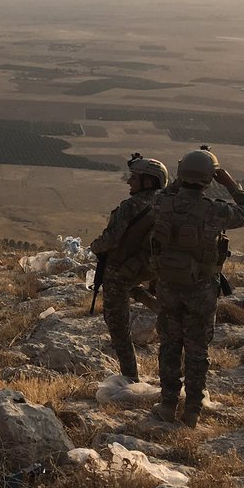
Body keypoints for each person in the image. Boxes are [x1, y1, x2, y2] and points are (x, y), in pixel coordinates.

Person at [150, 148, 244, 427]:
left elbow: (169, 192)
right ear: (209, 179)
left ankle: (166, 405)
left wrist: (187, 172)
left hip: (168, 285)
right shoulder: (215, 211)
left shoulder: (162, 202)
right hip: (201, 289)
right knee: (197, 351)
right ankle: (192, 411)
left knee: (169, 345)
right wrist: (228, 182)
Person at [90, 153, 169, 382]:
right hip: (150, 269)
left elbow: (111, 240)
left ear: (148, 181)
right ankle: (155, 305)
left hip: (121, 270)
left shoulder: (130, 207)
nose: (129, 182)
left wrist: (95, 247)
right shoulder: (166, 203)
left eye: (134, 178)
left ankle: (130, 378)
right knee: (132, 286)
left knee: (118, 328)